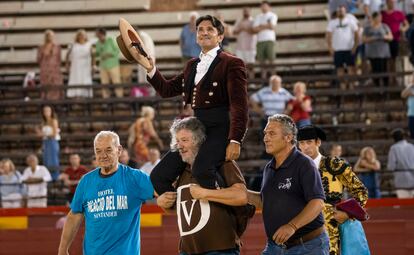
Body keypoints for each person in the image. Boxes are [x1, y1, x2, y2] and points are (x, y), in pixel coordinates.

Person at [144, 15, 248, 194]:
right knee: (158, 176)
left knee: (201, 169)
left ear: (220, 36)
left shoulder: (232, 63)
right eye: (200, 29)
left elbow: (240, 106)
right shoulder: (192, 65)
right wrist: (150, 68)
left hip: (220, 129)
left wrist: (235, 139)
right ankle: (186, 210)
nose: (204, 32)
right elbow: (167, 90)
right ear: (196, 36)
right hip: (196, 129)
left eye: (210, 30)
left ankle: (235, 208)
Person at [156, 117, 248, 255]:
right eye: (178, 141)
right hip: (187, 250)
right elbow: (180, 211)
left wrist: (204, 193)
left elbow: (241, 196)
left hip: (220, 249)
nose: (179, 146)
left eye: (185, 140)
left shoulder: (222, 163)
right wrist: (162, 203)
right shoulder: (180, 171)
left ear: (199, 141)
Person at [58, 131, 154, 255]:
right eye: (98, 151)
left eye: (108, 150)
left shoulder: (135, 177)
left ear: (119, 150)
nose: (103, 155)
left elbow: (161, 192)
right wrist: (62, 250)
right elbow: (74, 215)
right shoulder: (86, 181)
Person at [247, 114, 329, 255]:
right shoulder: (269, 167)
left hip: (308, 247)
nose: (265, 138)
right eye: (265, 133)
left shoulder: (304, 164)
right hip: (275, 247)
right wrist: (240, 192)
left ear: (288, 137)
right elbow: (265, 201)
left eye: (272, 133)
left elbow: (317, 203)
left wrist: (292, 226)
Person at [297, 125, 368, 255]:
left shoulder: (335, 165)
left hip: (328, 228)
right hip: (300, 229)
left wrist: (348, 214)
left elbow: (360, 191)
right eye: (301, 142)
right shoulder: (294, 169)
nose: (305, 146)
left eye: (309, 142)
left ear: (318, 142)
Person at [326, 5, 359, 89]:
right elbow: (328, 36)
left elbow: (356, 34)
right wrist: (330, 48)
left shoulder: (351, 21)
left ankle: (351, 85)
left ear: (345, 12)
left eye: (342, 10)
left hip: (349, 49)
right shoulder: (332, 23)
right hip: (337, 50)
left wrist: (355, 46)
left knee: (351, 68)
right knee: (339, 69)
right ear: (337, 12)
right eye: (339, 11)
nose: (341, 12)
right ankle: (343, 85)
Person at [381, 0, 409, 82]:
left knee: (394, 59)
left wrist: (402, 29)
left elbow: (406, 24)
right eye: (390, 2)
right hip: (384, 41)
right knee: (386, 60)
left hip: (395, 39)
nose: (392, 4)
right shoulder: (382, 14)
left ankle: (394, 79)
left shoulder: (399, 13)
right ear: (387, 3)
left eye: (393, 2)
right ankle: (388, 79)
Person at [363, 12, 393, 86]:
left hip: (383, 53)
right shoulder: (367, 28)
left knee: (384, 70)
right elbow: (364, 39)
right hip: (373, 53)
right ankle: (377, 88)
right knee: (375, 71)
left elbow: (390, 37)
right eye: (378, 17)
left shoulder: (384, 26)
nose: (380, 19)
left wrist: (384, 37)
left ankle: (386, 89)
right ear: (374, 18)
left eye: (380, 17)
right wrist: (373, 38)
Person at [66, 29, 94, 98]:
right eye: (80, 35)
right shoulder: (73, 45)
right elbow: (67, 56)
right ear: (77, 36)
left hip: (86, 67)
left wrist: (93, 65)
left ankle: (85, 99)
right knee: (76, 81)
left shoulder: (89, 45)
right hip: (75, 67)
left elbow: (93, 56)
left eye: (83, 35)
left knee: (85, 81)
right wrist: (67, 65)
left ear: (85, 36)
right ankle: (76, 100)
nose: (82, 36)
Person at [95, 28, 122, 98]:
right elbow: (97, 53)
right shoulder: (98, 43)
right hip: (103, 66)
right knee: (104, 84)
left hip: (113, 65)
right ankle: (106, 99)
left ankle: (120, 98)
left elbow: (117, 51)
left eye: (98, 34)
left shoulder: (110, 40)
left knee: (116, 82)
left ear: (102, 33)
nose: (97, 35)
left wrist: (109, 54)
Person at [387, 128, 414, 198]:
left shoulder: (394, 148)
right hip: (412, 179)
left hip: (401, 181)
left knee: (404, 205)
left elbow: (391, 167)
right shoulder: (412, 147)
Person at [37, 29, 63, 100]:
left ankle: (56, 102)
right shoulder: (41, 47)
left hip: (55, 70)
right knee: (45, 86)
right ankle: (45, 102)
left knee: (55, 86)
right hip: (45, 70)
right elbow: (38, 59)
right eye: (48, 36)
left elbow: (59, 59)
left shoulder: (57, 47)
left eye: (51, 36)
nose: (50, 38)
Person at [253, 1, 278, 71]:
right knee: (261, 61)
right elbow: (254, 29)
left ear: (269, 7)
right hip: (260, 40)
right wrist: (266, 25)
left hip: (269, 39)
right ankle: (263, 80)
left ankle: (274, 77)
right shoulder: (258, 16)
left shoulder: (273, 15)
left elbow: (272, 26)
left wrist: (260, 26)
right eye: (262, 6)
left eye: (265, 6)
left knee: (271, 60)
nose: (264, 7)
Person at [38, 105, 60, 179]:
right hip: (45, 142)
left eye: (48, 111)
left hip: (52, 142)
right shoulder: (43, 122)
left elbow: (54, 134)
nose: (46, 113)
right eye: (45, 111)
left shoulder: (54, 121)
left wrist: (43, 134)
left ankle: (55, 177)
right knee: (46, 160)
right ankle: (48, 177)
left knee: (53, 160)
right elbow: (39, 134)